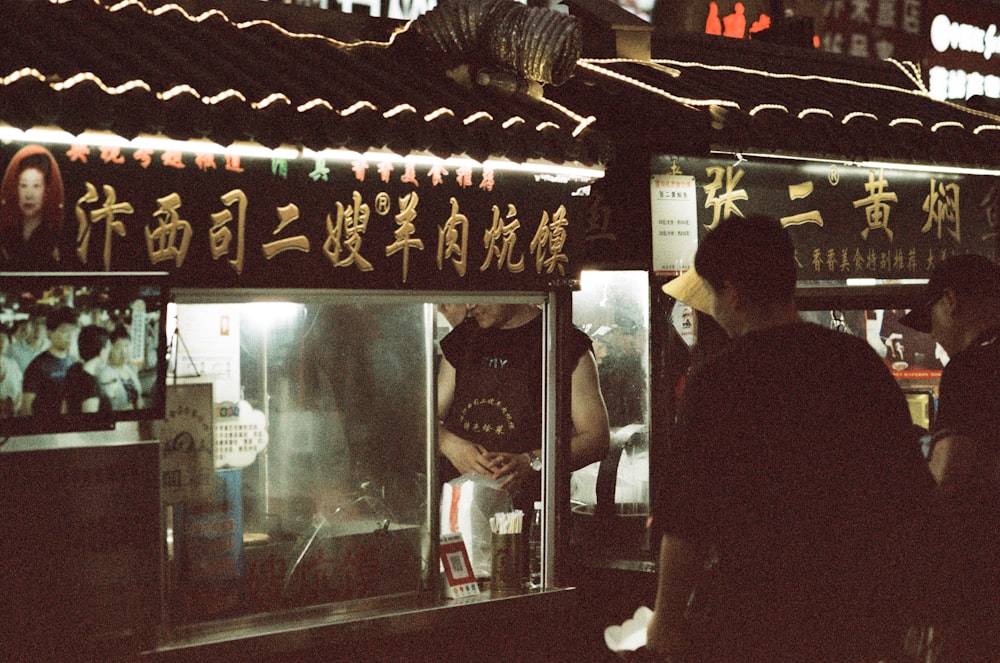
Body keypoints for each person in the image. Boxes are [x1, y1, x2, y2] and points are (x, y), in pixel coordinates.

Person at [646, 215, 934, 662]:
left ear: (733, 294)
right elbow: (910, 497)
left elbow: (687, 519)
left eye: (713, 295)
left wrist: (664, 623)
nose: (713, 310)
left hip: (756, 619)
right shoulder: (856, 363)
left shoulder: (719, 382)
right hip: (858, 619)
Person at [898, 253, 1000, 660]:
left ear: (951, 302)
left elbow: (950, 474)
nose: (936, 335)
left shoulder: (973, 366)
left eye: (933, 318)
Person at [437, 303, 610, 512]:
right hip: (457, 506)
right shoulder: (462, 339)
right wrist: (447, 443)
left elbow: (596, 439)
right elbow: (425, 418)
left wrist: (531, 461)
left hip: (534, 511)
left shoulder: (565, 342)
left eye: (478, 295)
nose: (468, 305)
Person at [0, 144, 66, 270]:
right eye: (23, 186)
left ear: (46, 191)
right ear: (17, 189)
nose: (29, 195)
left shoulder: (53, 234)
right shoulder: (8, 232)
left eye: (36, 186)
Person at [21, 306, 79, 418]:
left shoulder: (73, 361)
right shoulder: (37, 366)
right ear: (50, 333)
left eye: (73, 330)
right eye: (64, 331)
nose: (70, 336)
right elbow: (26, 407)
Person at [64, 325, 113, 414]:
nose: (110, 349)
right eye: (108, 346)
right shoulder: (90, 383)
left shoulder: (74, 370)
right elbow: (89, 422)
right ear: (101, 350)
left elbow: (64, 408)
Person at [99, 326, 144, 411]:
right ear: (110, 349)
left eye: (127, 346)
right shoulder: (105, 373)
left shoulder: (130, 368)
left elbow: (139, 396)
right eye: (118, 348)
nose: (124, 351)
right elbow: (112, 405)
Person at [0, 328, 24, 418]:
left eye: (3, 339)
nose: (1, 342)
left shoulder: (13, 365)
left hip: (12, 417)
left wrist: (15, 407)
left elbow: (20, 392)